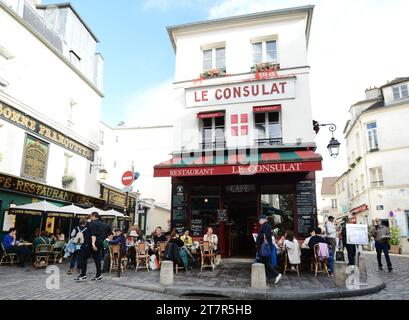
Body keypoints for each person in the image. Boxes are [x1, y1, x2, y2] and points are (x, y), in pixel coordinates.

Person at [75, 212, 105, 282]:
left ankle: (83, 275)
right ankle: (98, 275)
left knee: (83, 257)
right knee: (97, 259)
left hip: (91, 244)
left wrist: (93, 244)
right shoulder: (102, 224)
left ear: (94, 216)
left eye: (91, 216)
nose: (90, 217)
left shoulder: (93, 224)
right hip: (99, 243)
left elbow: (93, 235)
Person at [256, 217, 282, 284]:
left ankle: (277, 274)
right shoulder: (266, 226)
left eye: (259, 220)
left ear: (263, 220)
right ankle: (270, 277)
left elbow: (266, 236)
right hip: (264, 247)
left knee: (266, 262)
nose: (259, 221)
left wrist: (258, 235)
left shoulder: (266, 226)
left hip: (264, 248)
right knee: (264, 262)